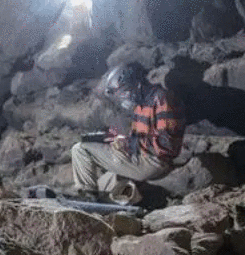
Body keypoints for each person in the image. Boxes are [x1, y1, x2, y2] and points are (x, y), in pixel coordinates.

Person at [71, 62, 186, 199]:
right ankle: (120, 202)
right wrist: (120, 140)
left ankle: (87, 196)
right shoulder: (141, 105)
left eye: (124, 92)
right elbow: (140, 138)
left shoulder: (162, 99)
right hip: (143, 158)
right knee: (105, 182)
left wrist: (131, 143)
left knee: (80, 149)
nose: (124, 98)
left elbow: (166, 144)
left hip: (153, 163)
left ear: (136, 84)